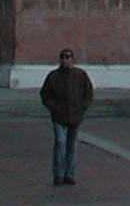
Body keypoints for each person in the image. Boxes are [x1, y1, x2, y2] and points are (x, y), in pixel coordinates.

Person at [40, 47, 94, 186]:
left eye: (68, 57)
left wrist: (82, 107)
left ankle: (69, 174)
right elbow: (45, 95)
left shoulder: (80, 75)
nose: (65, 60)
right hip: (59, 115)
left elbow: (88, 93)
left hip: (75, 115)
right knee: (60, 142)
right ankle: (58, 174)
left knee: (72, 145)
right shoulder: (53, 76)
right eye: (63, 57)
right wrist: (53, 108)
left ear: (72, 59)